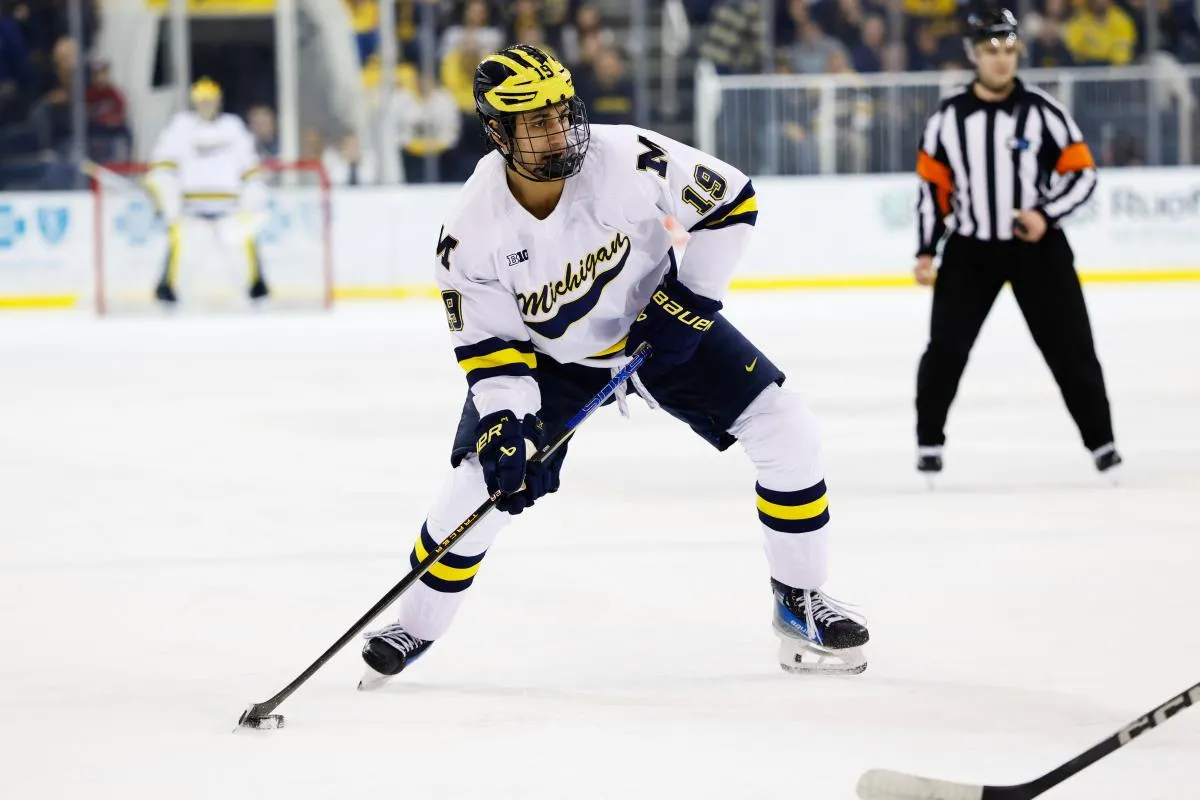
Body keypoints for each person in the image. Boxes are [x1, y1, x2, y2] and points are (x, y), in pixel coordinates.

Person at [358, 45, 869, 687]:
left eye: (560, 112)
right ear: (497, 132)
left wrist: (689, 299)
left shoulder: (625, 155)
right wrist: (508, 425)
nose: (556, 130)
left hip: (657, 324)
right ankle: (417, 626)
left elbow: (731, 200)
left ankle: (799, 603)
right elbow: (491, 350)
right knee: (479, 486)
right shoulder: (469, 231)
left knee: (787, 429)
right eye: (534, 121)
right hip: (551, 361)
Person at [912, 7, 1121, 479]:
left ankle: (1102, 444)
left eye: (1009, 50)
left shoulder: (1045, 112)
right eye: (991, 50)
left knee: (1071, 348)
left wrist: (1044, 215)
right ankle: (929, 443)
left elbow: (1083, 174)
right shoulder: (947, 120)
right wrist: (926, 250)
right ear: (973, 54)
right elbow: (932, 192)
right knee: (945, 350)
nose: (1002, 60)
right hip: (970, 251)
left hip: (1038, 251)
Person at [144, 78, 269, 306]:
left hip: (229, 207)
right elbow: (162, 169)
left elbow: (250, 169)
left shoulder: (233, 128)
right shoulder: (180, 128)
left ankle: (257, 292)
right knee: (182, 257)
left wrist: (251, 199)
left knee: (243, 253)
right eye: (202, 101)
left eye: (210, 101)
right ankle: (167, 295)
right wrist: (167, 199)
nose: (206, 106)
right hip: (191, 209)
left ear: (218, 101)